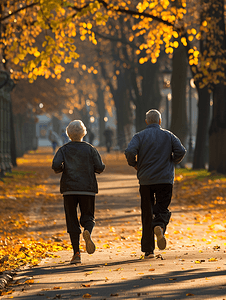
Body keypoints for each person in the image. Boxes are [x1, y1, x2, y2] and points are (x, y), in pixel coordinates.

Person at [125, 109, 186, 259]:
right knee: (162, 208)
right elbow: (181, 151)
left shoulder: (139, 136)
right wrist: (173, 161)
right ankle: (159, 225)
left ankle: (148, 250)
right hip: (165, 179)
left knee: (146, 212)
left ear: (146, 122)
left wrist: (135, 164)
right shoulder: (169, 135)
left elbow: (129, 151)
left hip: (146, 180)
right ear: (160, 121)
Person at [52, 120, 105, 264]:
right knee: (88, 215)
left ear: (68, 134)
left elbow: (56, 165)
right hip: (87, 188)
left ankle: (76, 254)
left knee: (71, 219)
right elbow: (100, 167)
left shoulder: (63, 149)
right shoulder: (90, 149)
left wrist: (63, 169)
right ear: (84, 133)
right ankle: (87, 229)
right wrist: (92, 168)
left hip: (69, 189)